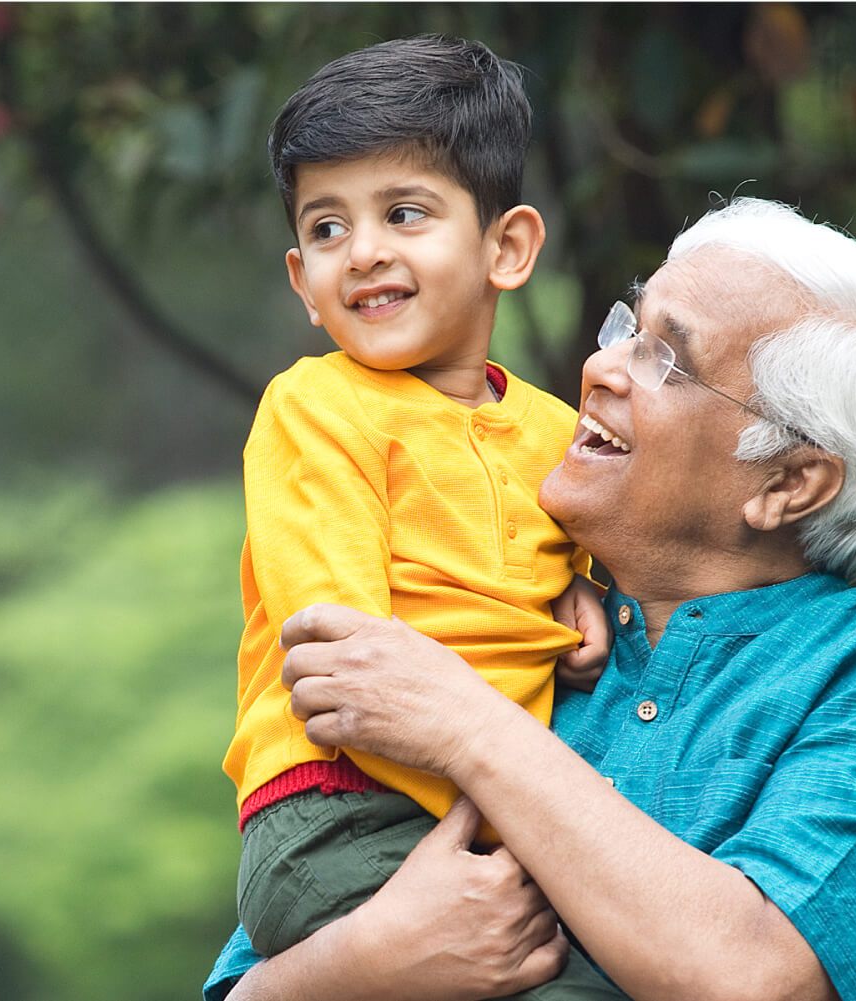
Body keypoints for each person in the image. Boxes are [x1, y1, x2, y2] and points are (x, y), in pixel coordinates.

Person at [203, 196, 856, 1001]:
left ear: (787, 483)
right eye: (628, 328)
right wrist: (363, 964)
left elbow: (756, 979)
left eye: (666, 358)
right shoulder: (493, 621)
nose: (601, 367)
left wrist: (464, 722)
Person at [225, 36, 620, 999]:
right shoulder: (315, 408)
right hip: (338, 806)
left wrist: (586, 586)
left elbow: (594, 559)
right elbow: (343, 660)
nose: (362, 252)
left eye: (404, 212)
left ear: (507, 248)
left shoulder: (555, 432)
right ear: (301, 283)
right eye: (326, 229)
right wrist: (528, 818)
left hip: (486, 798)